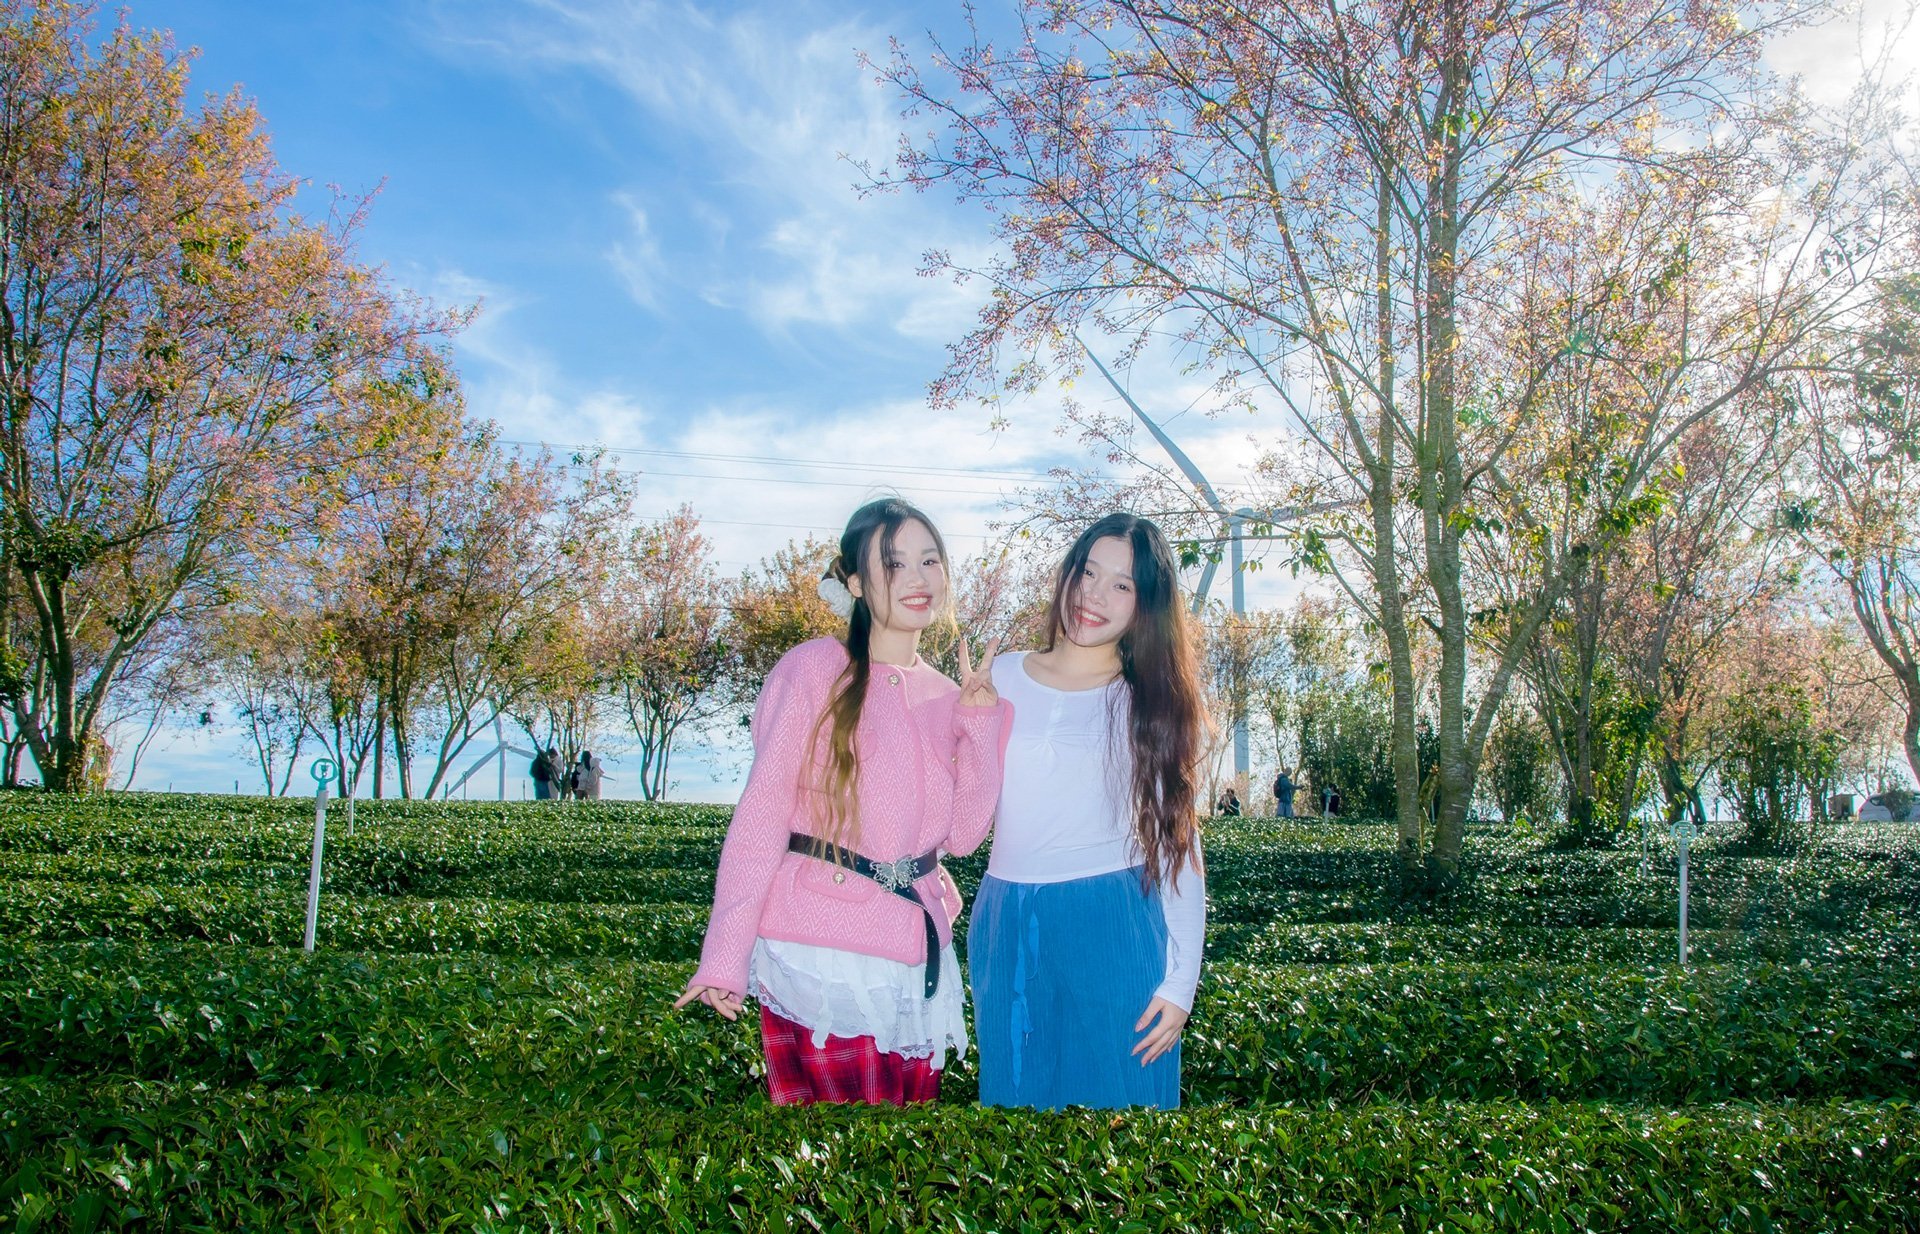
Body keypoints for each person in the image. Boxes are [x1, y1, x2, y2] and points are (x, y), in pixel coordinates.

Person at [674, 498, 1010, 1106]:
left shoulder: (947, 695)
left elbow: (961, 837)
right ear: (855, 581)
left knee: (900, 1174)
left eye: (929, 560)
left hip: (914, 957)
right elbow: (761, 815)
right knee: (830, 1163)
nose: (917, 578)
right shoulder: (813, 669)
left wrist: (980, 723)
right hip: (818, 952)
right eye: (893, 563)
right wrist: (724, 955)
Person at [971, 512, 1209, 1111]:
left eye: (1121, 585)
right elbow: (960, 808)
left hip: (1114, 917)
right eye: (1087, 571)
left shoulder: (1151, 702)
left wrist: (1182, 984)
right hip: (1006, 917)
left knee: (1125, 1127)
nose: (1094, 595)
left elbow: (1177, 845)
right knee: (1013, 1119)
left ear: (1145, 604)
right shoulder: (998, 676)